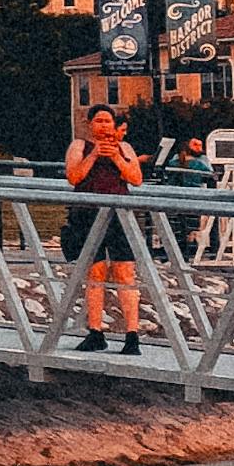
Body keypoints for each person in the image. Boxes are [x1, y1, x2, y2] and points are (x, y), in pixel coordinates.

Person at [61, 104, 144, 353]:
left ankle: (132, 335)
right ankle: (95, 331)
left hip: (119, 215)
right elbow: (73, 176)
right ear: (90, 124)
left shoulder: (125, 148)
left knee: (124, 272)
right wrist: (95, 155)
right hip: (87, 214)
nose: (104, 126)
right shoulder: (79, 146)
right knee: (95, 273)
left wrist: (116, 157)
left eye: (108, 121)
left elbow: (136, 179)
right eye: (99, 121)